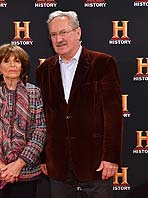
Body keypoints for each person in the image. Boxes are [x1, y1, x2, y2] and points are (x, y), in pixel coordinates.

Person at [36, 10, 123, 198]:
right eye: (53, 34)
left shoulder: (103, 63)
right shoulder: (43, 70)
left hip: (95, 163)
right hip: (58, 165)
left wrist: (111, 158)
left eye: (64, 32)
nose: (59, 39)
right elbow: (43, 117)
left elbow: (113, 115)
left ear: (78, 32)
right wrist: (44, 156)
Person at [0, 44, 46, 198]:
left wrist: (18, 165)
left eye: (17, 61)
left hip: (25, 172)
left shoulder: (34, 92)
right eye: (6, 61)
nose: (12, 65)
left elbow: (39, 132)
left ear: (22, 67)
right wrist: (0, 166)